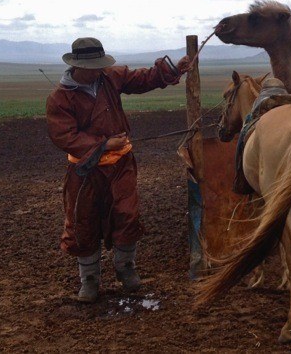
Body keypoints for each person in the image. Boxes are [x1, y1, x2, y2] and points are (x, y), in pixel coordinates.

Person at [45, 37, 193, 303]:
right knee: (83, 222)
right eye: (93, 67)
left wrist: (173, 69)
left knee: (127, 214)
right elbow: (64, 136)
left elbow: (142, 79)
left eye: (100, 65)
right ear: (78, 66)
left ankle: (126, 269)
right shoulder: (59, 98)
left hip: (121, 165)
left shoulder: (109, 77)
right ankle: (89, 280)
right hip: (84, 172)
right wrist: (103, 145)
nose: (98, 70)